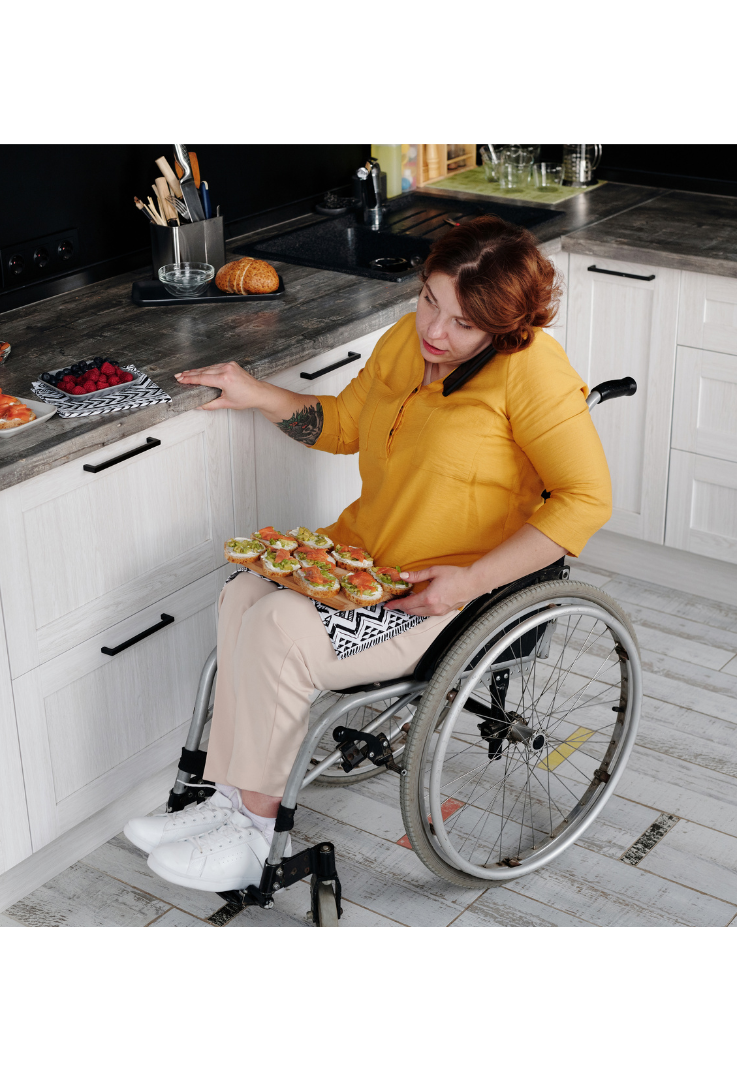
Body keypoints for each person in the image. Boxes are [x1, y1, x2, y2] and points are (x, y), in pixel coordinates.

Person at [124, 215, 612, 893]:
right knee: (242, 594)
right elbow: (346, 425)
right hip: (367, 565)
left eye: (463, 324)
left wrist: (466, 580)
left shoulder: (531, 373)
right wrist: (256, 392)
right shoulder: (404, 346)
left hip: (451, 594)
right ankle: (228, 801)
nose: (435, 331)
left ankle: (253, 833)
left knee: (279, 631)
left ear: (504, 328)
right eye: (429, 300)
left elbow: (586, 498)